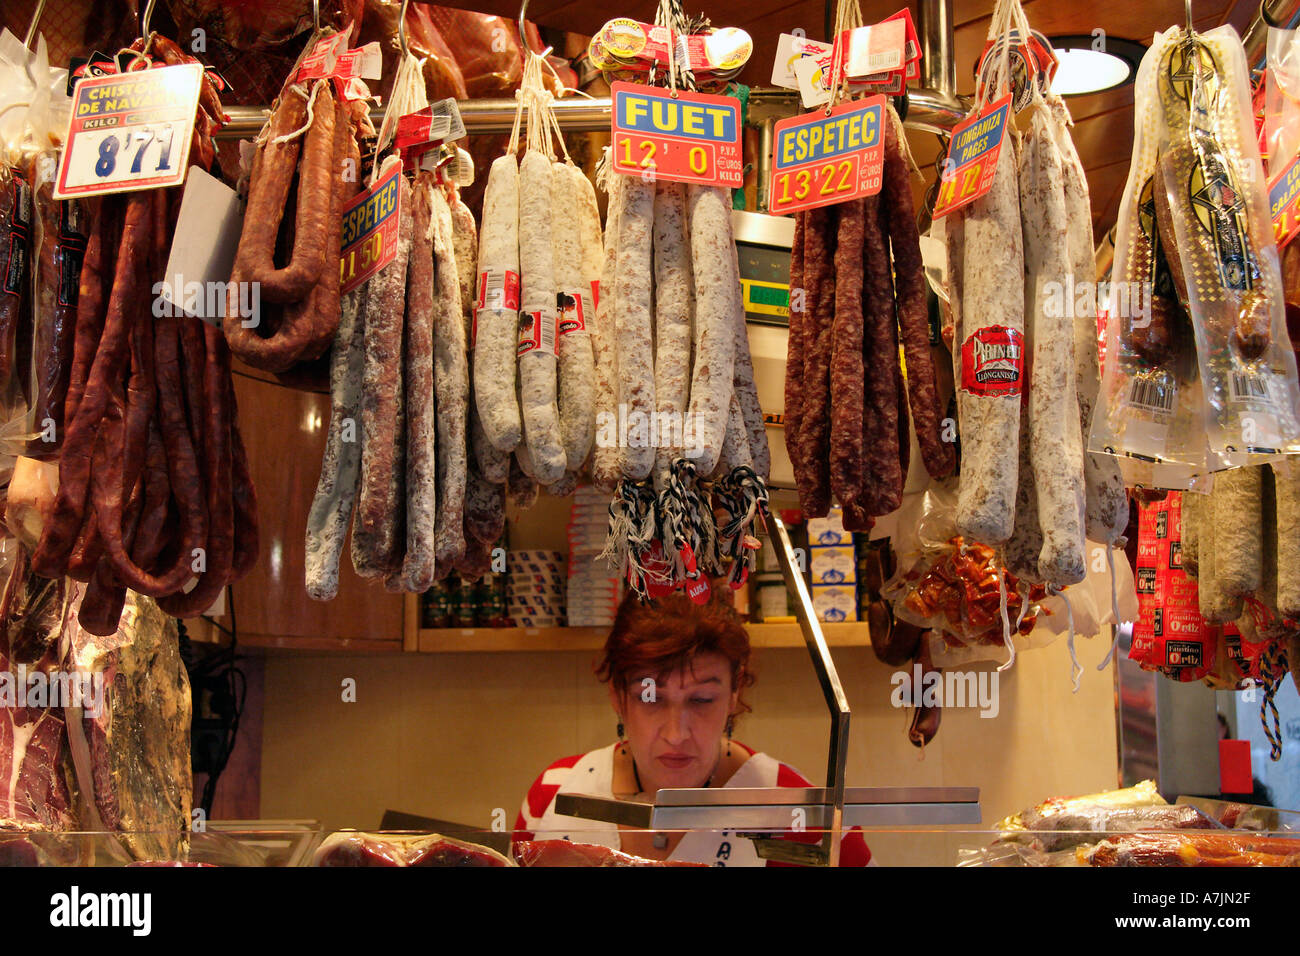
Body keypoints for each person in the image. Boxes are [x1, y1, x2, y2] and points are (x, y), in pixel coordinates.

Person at [513, 586, 873, 866]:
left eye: (701, 700)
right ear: (617, 696)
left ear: (734, 692)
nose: (676, 734)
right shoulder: (554, 794)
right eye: (650, 698)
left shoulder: (804, 818)